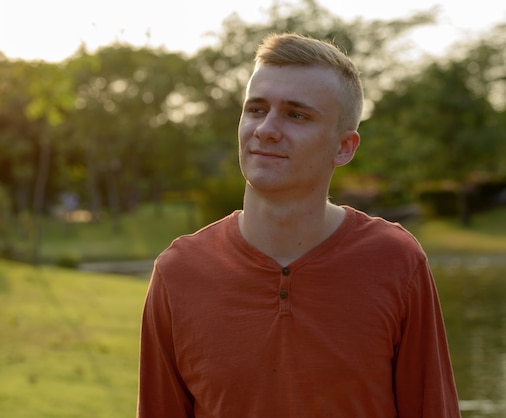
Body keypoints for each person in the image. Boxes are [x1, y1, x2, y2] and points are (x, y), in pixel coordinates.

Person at [136, 33, 461, 417]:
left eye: (296, 115)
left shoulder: (397, 262)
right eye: (256, 109)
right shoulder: (179, 272)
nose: (267, 129)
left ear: (344, 147)